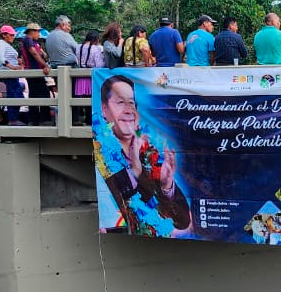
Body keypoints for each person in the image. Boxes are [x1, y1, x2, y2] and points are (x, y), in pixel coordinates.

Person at [96, 74, 192, 235]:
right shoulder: (101, 153)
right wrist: (134, 172)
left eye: (131, 103)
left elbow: (183, 222)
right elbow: (129, 218)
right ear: (104, 109)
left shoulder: (149, 153)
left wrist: (167, 186)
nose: (128, 110)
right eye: (120, 102)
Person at [18, 22, 52, 125]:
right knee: (44, 93)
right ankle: (44, 119)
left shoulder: (32, 42)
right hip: (33, 70)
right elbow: (34, 54)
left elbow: (40, 54)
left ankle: (34, 119)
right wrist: (45, 65)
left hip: (33, 71)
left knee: (34, 94)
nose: (39, 34)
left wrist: (42, 53)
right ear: (32, 31)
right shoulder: (28, 40)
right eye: (38, 32)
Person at [0, 26, 25, 126]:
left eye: (13, 35)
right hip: (8, 73)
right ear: (4, 35)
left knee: (15, 94)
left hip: (12, 74)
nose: (13, 37)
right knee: (16, 95)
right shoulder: (0, 43)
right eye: (11, 35)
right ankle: (13, 119)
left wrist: (18, 62)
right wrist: (12, 67)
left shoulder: (6, 45)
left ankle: (13, 118)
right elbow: (1, 58)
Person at [74, 30, 104, 125]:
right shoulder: (95, 49)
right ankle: (90, 120)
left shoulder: (78, 47)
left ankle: (82, 119)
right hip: (91, 77)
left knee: (83, 100)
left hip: (80, 76)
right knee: (92, 99)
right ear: (96, 39)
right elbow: (99, 65)